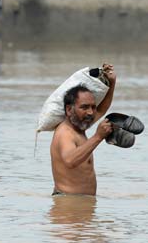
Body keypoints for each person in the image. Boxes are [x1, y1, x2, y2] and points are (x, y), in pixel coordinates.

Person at [50, 63, 116, 196]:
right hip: (67, 204)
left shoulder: (80, 124)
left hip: (81, 204)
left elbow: (102, 108)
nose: (91, 113)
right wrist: (98, 137)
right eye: (84, 107)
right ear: (69, 109)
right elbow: (70, 160)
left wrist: (112, 82)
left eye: (92, 107)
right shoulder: (65, 133)